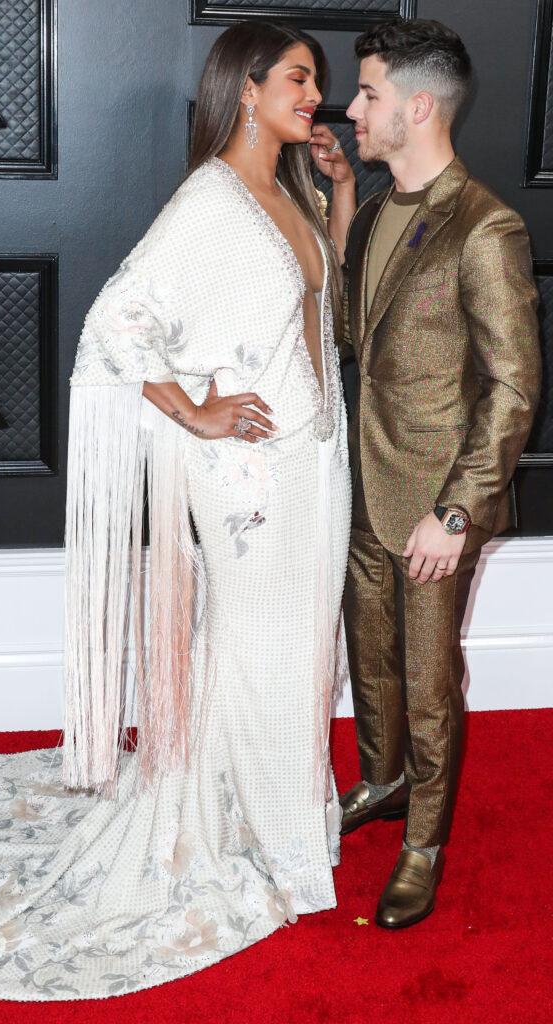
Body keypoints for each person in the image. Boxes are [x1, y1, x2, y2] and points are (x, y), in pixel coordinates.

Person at [0, 22, 357, 999]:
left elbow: (320, 302)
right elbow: (116, 332)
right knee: (259, 645)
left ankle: (271, 818)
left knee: (297, 649)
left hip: (313, 458)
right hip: (249, 477)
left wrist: (342, 191)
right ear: (248, 87)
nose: (318, 93)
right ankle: (246, 833)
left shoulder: (288, 190)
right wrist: (198, 410)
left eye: (319, 79)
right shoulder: (211, 204)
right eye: (301, 78)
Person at [340, 18, 541, 929]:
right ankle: (380, 783)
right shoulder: (380, 209)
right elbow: (360, 342)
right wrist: (342, 197)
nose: (352, 109)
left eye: (368, 93)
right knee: (368, 660)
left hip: (432, 509)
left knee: (427, 681)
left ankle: (424, 842)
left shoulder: (486, 226)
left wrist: (455, 514)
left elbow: (513, 388)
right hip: (363, 484)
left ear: (417, 107)